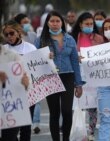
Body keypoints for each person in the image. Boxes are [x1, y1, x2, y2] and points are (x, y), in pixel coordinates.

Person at [34, 11, 84, 141]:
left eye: (57, 21)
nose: (55, 24)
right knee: (54, 112)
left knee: (67, 111)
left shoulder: (70, 39)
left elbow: (74, 62)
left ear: (62, 23)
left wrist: (78, 84)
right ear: (47, 23)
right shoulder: (41, 40)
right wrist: (44, 56)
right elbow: (33, 61)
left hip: (68, 76)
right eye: (52, 21)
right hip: (51, 78)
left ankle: (66, 138)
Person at [2, 20, 37, 141]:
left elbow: (37, 67)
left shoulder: (30, 48)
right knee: (9, 132)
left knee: (26, 129)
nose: (9, 37)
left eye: (11, 33)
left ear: (18, 32)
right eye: (6, 34)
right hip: (9, 97)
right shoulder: (3, 50)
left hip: (28, 92)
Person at [71, 11, 104, 141]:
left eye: (91, 24)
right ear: (80, 24)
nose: (89, 26)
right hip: (78, 76)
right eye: (87, 24)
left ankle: (90, 133)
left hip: (93, 76)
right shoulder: (72, 38)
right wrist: (76, 58)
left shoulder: (99, 38)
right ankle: (78, 131)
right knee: (77, 105)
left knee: (92, 106)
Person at [14, 13, 42, 134]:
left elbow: (38, 58)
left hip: (30, 83)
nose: (27, 24)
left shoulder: (32, 41)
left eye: (27, 21)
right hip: (14, 88)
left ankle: (34, 123)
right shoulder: (5, 49)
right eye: (24, 22)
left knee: (27, 120)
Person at [0, 44, 29, 141]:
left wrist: (25, 83)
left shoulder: (13, 56)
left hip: (10, 109)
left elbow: (27, 82)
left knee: (8, 138)